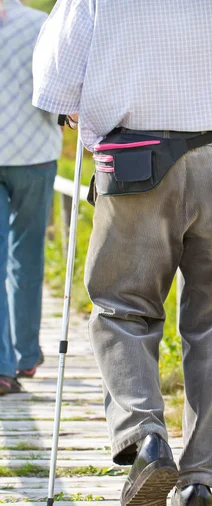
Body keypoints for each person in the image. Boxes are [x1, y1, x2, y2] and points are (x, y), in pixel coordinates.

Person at [32, 0, 212, 506]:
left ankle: (145, 435)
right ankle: (199, 485)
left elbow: (54, 83)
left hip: (134, 162)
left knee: (120, 306)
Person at [0, 0, 62, 396]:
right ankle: (23, 356)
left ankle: (4, 367)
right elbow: (58, 95)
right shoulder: (43, 25)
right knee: (27, 254)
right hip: (35, 155)